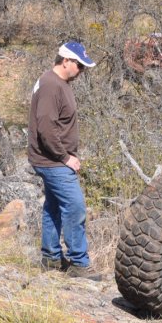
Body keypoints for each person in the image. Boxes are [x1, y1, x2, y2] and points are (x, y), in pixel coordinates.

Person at [28, 41, 100, 280]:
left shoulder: (59, 82)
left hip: (52, 159)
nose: (81, 71)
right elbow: (46, 128)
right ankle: (79, 263)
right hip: (52, 161)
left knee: (53, 207)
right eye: (79, 65)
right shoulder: (51, 85)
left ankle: (50, 258)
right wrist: (65, 157)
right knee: (75, 206)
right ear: (66, 61)